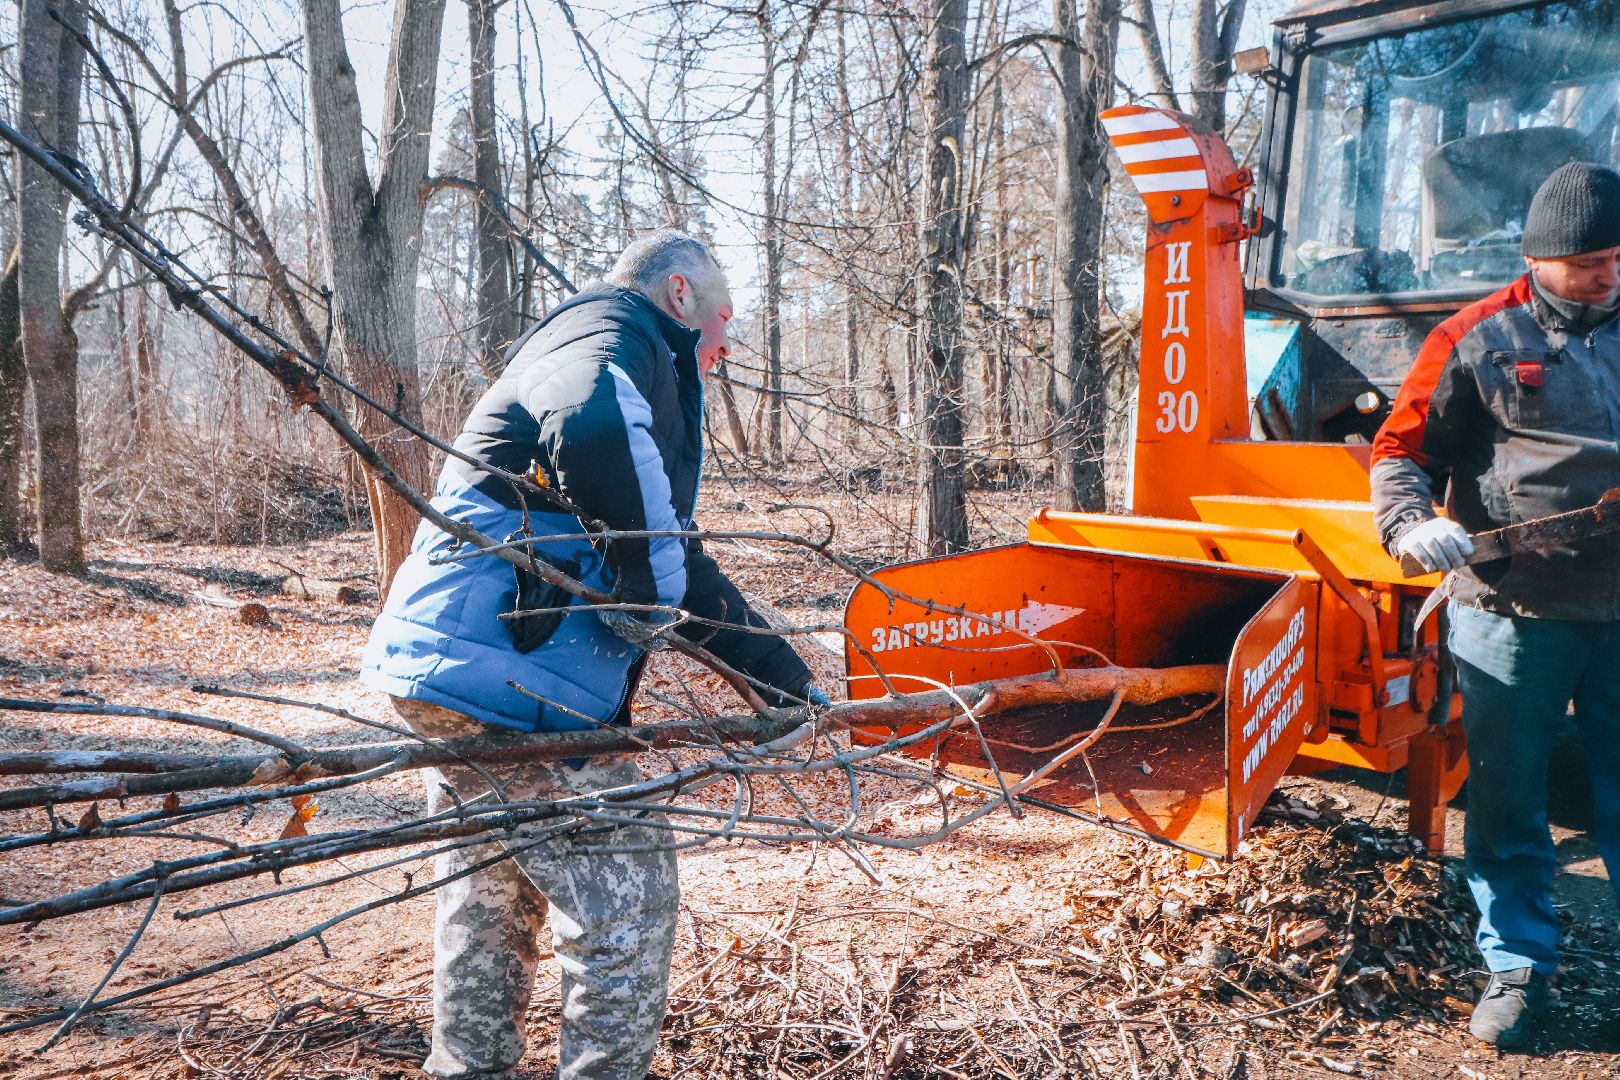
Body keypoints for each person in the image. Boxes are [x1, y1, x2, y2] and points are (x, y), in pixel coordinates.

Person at [360, 230, 820, 1079]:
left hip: (459, 668)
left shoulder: (619, 353)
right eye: (722, 319)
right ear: (679, 294)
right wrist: (646, 593)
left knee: (488, 896)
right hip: (507, 675)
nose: (722, 346)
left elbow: (675, 555)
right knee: (627, 906)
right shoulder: (614, 335)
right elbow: (601, 433)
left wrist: (781, 681)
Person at [1371, 162, 1620, 1049]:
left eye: (1618, 257)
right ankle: (1517, 964)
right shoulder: (1475, 336)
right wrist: (1406, 523)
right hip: (1511, 615)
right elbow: (1400, 451)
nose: (1609, 275)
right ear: (1540, 257)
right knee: (1511, 798)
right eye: (1591, 261)